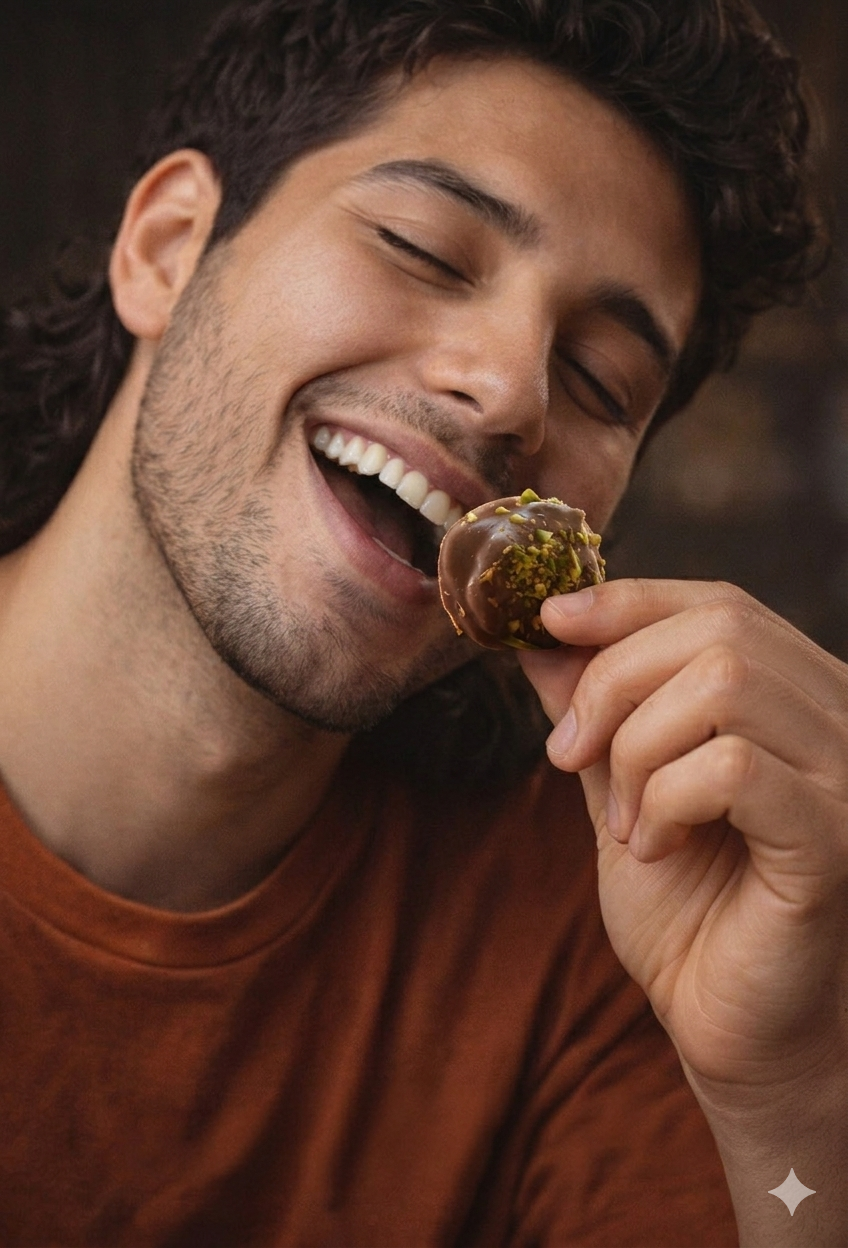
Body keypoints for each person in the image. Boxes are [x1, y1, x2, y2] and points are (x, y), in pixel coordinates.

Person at [0, 0, 843, 1244]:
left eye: (599, 382)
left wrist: (784, 1096)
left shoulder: (623, 927)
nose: (508, 391)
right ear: (169, 247)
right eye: (422, 248)